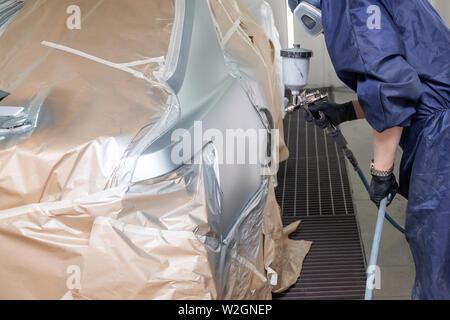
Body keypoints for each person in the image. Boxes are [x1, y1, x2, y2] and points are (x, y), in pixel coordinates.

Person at [288, 0, 450, 299]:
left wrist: (381, 171)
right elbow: (410, 78)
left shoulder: (345, 4)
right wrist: (343, 112)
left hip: (442, 139)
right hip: (440, 121)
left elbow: (392, 87)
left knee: (438, 263)